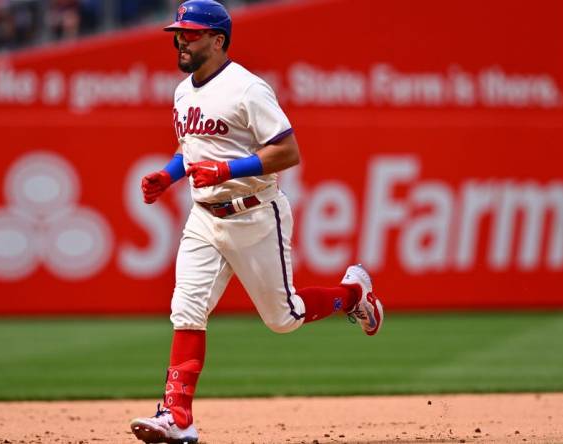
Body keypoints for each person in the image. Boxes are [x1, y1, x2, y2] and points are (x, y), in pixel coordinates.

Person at [130, 1, 384, 443]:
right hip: (204, 217)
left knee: (284, 317)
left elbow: (287, 152)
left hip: (254, 214)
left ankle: (355, 291)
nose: (180, 40)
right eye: (178, 32)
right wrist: (168, 175)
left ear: (218, 39)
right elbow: (190, 149)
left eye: (190, 33)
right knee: (186, 309)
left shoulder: (248, 89)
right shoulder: (182, 91)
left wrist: (227, 171)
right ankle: (177, 417)